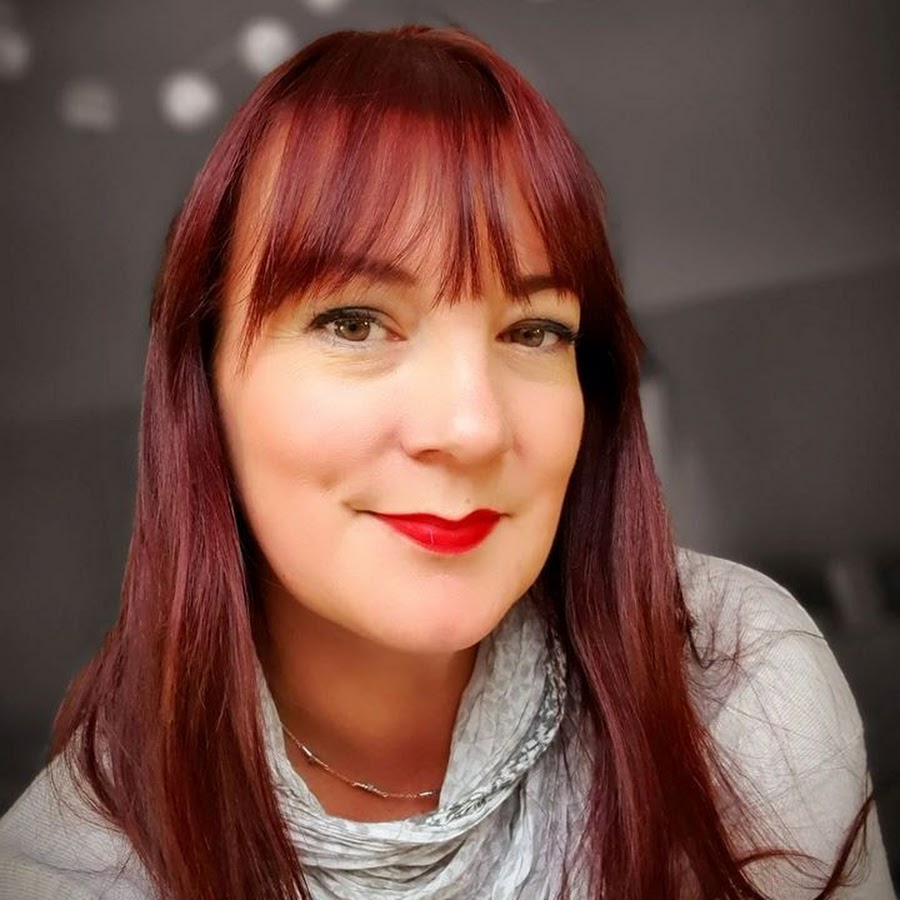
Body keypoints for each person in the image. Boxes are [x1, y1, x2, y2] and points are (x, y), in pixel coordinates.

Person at [0, 24, 894, 900]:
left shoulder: (735, 682)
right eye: (355, 322)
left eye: (533, 330)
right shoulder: (63, 875)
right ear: (203, 383)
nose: (471, 427)